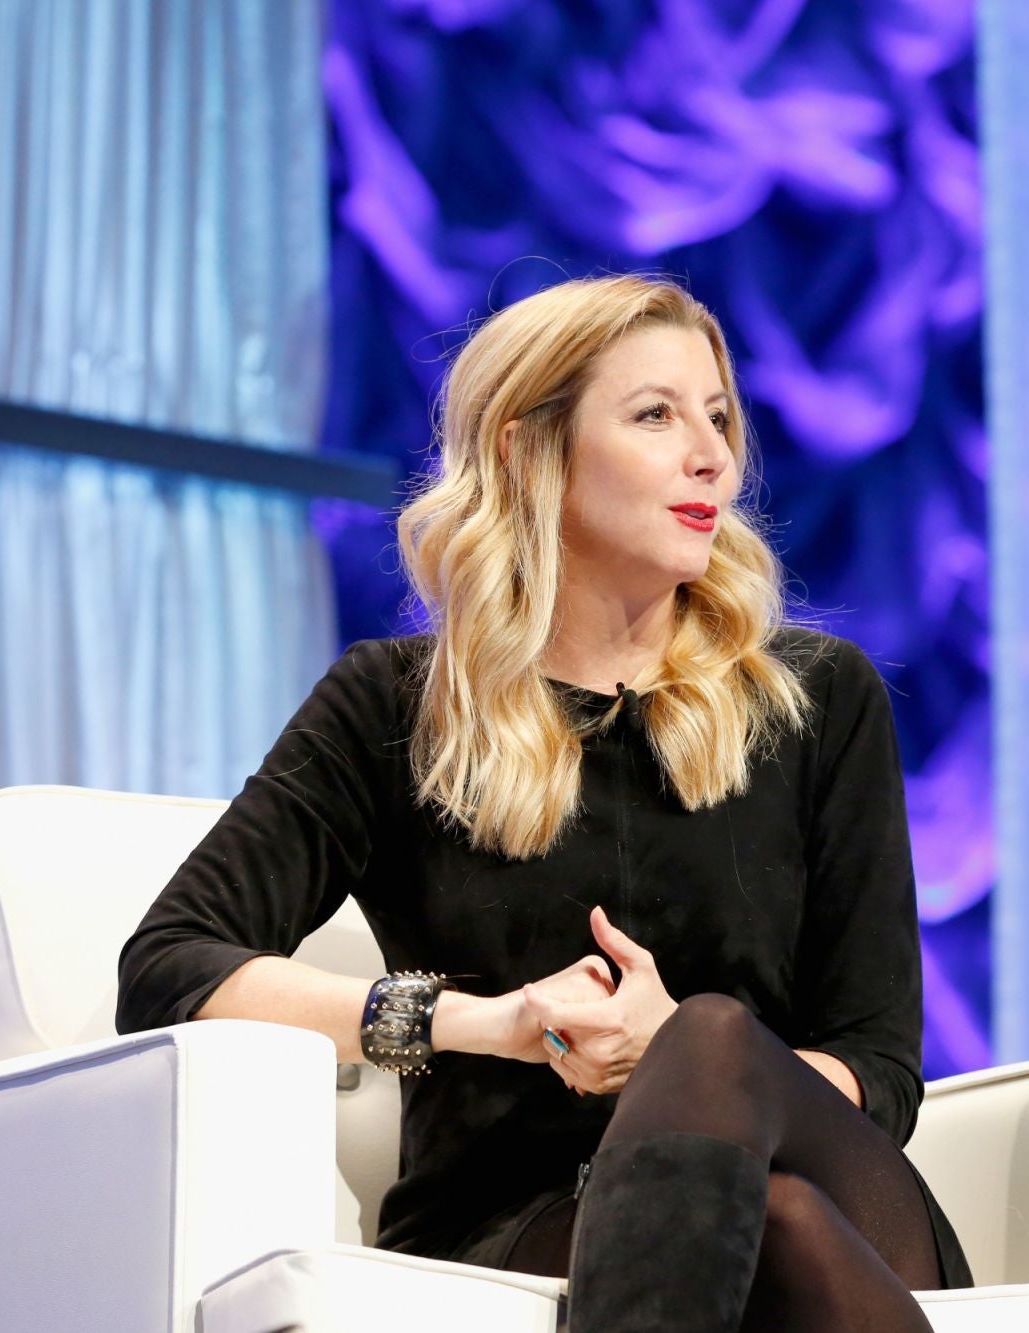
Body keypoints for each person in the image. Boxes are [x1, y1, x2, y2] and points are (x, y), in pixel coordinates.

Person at [116, 274, 971, 1330]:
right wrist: (487, 1021)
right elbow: (167, 967)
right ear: (529, 451)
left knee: (709, 1051)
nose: (710, 453)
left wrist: (684, 1060)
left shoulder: (815, 699)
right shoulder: (394, 709)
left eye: (717, 416)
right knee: (773, 1227)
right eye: (655, 416)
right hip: (523, 1219)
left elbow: (878, 1068)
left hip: (848, 1195)